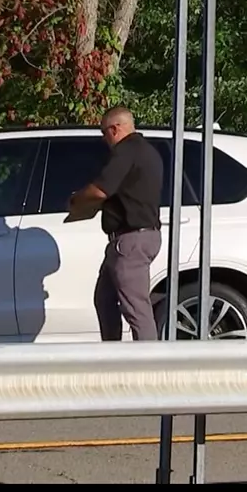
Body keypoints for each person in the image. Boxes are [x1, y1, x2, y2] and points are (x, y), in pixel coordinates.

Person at [68, 106, 164, 341]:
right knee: (104, 298)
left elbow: (101, 189)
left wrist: (76, 200)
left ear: (115, 129)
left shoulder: (126, 151)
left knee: (136, 310)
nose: (104, 139)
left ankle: (149, 368)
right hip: (130, 239)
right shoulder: (148, 151)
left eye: (104, 133)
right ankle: (113, 354)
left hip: (131, 241)